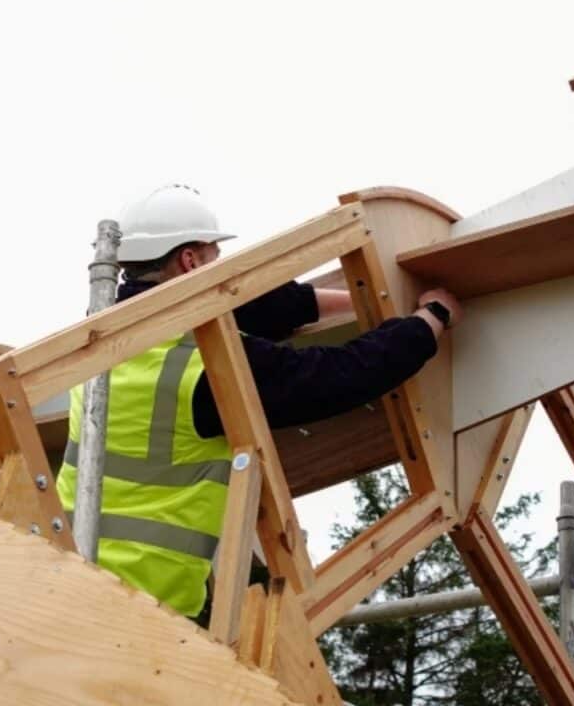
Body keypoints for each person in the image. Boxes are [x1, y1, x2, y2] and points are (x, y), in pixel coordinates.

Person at [56, 183, 462, 618]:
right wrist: (429, 319)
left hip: (63, 574)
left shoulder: (99, 347)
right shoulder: (199, 370)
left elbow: (245, 305)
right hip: (145, 606)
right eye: (213, 259)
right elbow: (337, 376)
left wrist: (358, 301)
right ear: (189, 260)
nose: (220, 271)